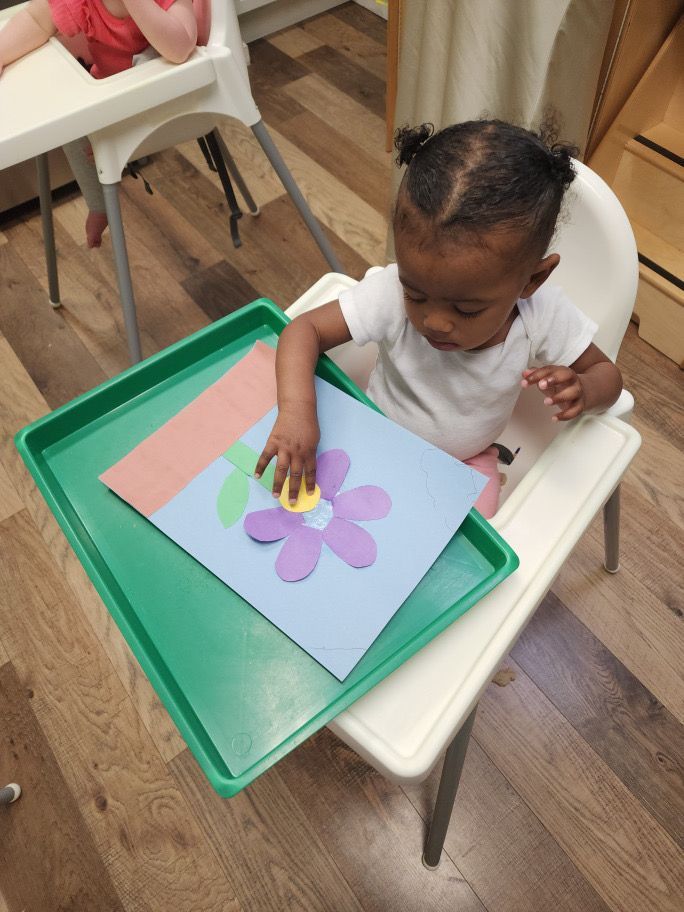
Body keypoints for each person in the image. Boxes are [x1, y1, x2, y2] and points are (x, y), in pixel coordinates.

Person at [254, 119, 623, 519]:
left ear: (532, 279)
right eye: (416, 293)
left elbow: (608, 376)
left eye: (466, 309)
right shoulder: (390, 295)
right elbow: (302, 330)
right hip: (374, 435)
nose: (435, 322)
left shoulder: (542, 316)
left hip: (463, 463)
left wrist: (585, 389)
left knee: (456, 547)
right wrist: (296, 412)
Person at [0, 0, 197, 246]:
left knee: (91, 126)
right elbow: (36, 20)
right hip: (111, 98)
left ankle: (104, 175)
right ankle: (99, 204)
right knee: (69, 122)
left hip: (167, 101)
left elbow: (180, 49)